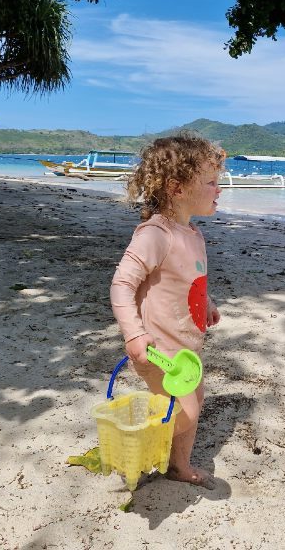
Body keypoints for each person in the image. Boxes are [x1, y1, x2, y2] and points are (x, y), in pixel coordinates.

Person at [110, 134, 224, 489]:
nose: (219, 189)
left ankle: (179, 465)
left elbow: (188, 277)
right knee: (184, 413)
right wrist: (134, 333)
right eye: (210, 182)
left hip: (187, 348)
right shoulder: (155, 234)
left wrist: (206, 303)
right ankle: (131, 444)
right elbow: (121, 285)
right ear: (177, 188)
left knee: (197, 400)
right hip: (159, 350)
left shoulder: (192, 233)